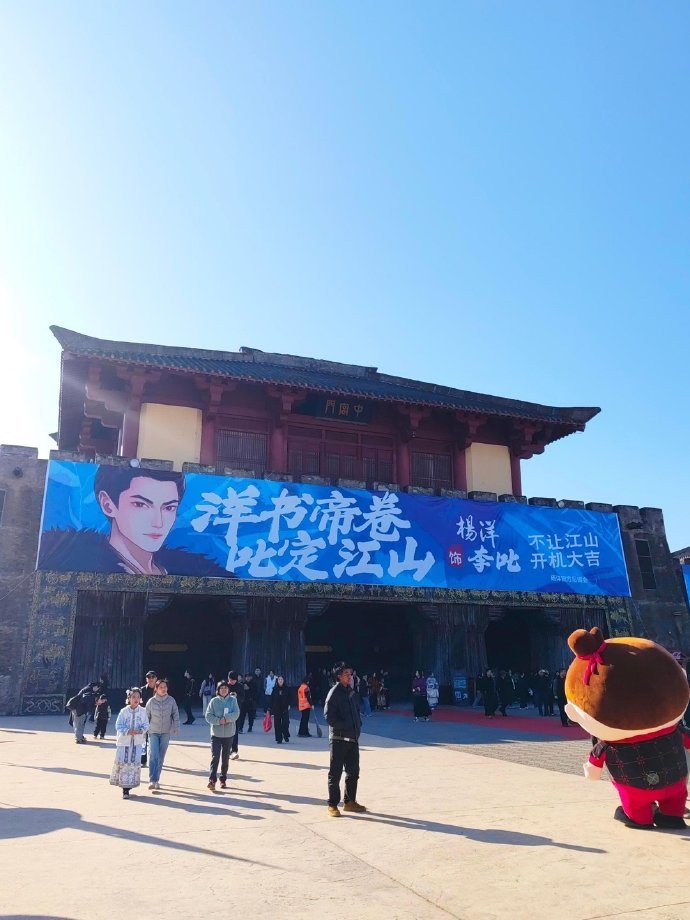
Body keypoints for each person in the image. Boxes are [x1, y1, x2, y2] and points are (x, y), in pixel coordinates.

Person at [38, 466, 231, 577]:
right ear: (107, 504)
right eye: (141, 505)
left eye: (169, 508)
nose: (158, 522)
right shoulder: (70, 565)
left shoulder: (189, 569)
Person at [324, 662, 366, 817]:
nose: (350, 676)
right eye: (346, 674)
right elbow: (329, 717)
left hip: (353, 738)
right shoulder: (334, 693)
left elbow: (356, 712)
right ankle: (332, 804)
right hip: (338, 738)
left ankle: (350, 802)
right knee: (335, 773)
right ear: (339, 676)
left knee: (353, 772)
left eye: (350, 673)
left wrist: (357, 725)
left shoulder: (351, 693)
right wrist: (345, 726)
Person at [112, 688, 149, 798]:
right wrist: (128, 731)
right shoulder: (124, 711)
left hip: (137, 743)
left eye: (138, 697)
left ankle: (130, 785)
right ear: (129, 698)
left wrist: (140, 730)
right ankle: (125, 789)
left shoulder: (143, 711)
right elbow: (118, 725)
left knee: (134, 763)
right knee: (124, 762)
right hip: (124, 743)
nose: (136, 699)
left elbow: (146, 724)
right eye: (133, 697)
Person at [145, 678, 180, 791]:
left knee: (161, 756)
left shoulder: (171, 700)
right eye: (161, 687)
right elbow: (146, 717)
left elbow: (175, 714)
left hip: (165, 732)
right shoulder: (151, 702)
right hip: (153, 732)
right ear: (156, 689)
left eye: (165, 687)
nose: (163, 689)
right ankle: (152, 779)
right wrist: (143, 731)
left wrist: (176, 726)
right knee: (153, 755)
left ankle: (156, 779)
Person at [205, 680, 240, 791]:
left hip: (229, 734)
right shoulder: (213, 701)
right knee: (215, 757)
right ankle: (212, 780)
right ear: (218, 690)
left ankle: (223, 779)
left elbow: (236, 713)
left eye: (225, 688)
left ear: (228, 689)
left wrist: (227, 718)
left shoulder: (233, 700)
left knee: (225, 758)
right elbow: (208, 716)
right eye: (221, 688)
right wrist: (218, 721)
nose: (224, 690)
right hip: (216, 734)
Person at [139, 670, 157, 766]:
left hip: (156, 719)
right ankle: (143, 760)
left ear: (156, 678)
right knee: (143, 741)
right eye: (148, 677)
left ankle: (155, 759)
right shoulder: (142, 690)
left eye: (152, 677)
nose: (150, 679)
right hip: (144, 718)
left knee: (155, 741)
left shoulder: (159, 689)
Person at [226, 671, 244, 758]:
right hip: (226, 711)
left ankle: (234, 750)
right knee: (226, 731)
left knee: (235, 730)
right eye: (230, 680)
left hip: (236, 711)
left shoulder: (240, 686)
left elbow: (243, 699)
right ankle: (226, 749)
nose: (232, 682)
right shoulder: (224, 686)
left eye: (234, 680)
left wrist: (237, 696)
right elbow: (219, 697)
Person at [269, 675, 291, 744]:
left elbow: (290, 697)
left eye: (281, 679)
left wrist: (289, 704)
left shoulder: (287, 689)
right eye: (279, 679)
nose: (280, 681)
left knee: (286, 723)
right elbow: (271, 699)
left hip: (285, 708)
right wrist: (270, 709)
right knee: (277, 724)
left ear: (283, 681)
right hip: (277, 708)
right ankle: (279, 738)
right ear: (277, 681)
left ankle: (285, 735)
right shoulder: (275, 689)